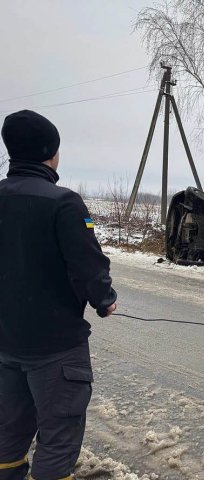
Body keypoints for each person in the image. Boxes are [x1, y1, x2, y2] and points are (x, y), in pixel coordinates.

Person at [0, 110, 117, 480]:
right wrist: (105, 300)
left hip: (4, 344)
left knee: (7, 436)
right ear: (50, 152)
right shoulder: (64, 203)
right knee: (57, 440)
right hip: (55, 350)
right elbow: (88, 262)